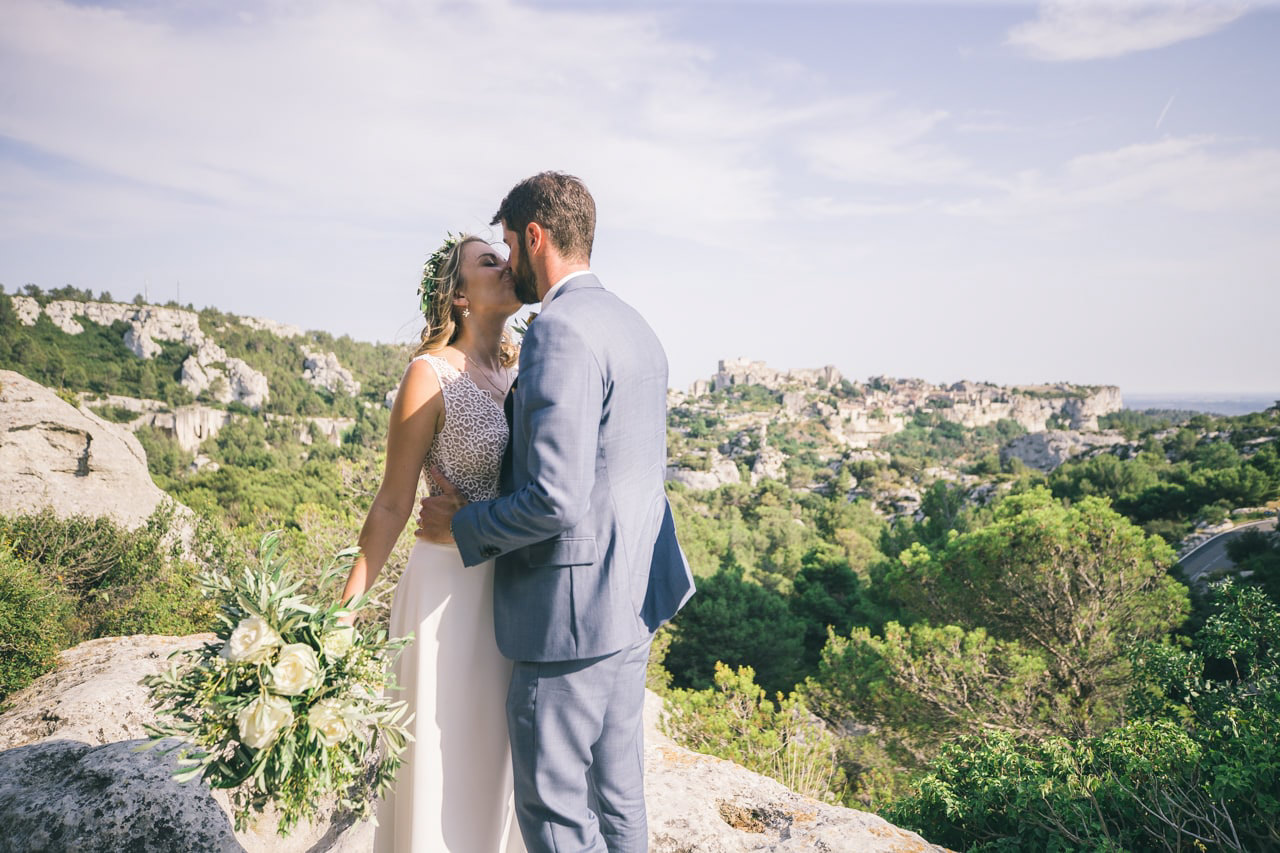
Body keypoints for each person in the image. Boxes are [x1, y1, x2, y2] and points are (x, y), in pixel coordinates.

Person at [416, 172, 696, 853]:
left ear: (533, 236)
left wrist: (463, 526)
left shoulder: (560, 333)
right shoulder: (636, 325)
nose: (509, 263)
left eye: (508, 245)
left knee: (556, 814)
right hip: (631, 603)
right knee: (620, 801)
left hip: (567, 620)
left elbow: (556, 497)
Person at [338, 234, 528, 852]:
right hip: (445, 590)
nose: (505, 266)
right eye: (488, 261)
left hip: (511, 590)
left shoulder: (526, 366)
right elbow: (393, 503)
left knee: (494, 764)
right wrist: (341, 616)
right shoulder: (429, 375)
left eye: (503, 258)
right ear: (458, 294)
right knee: (440, 768)